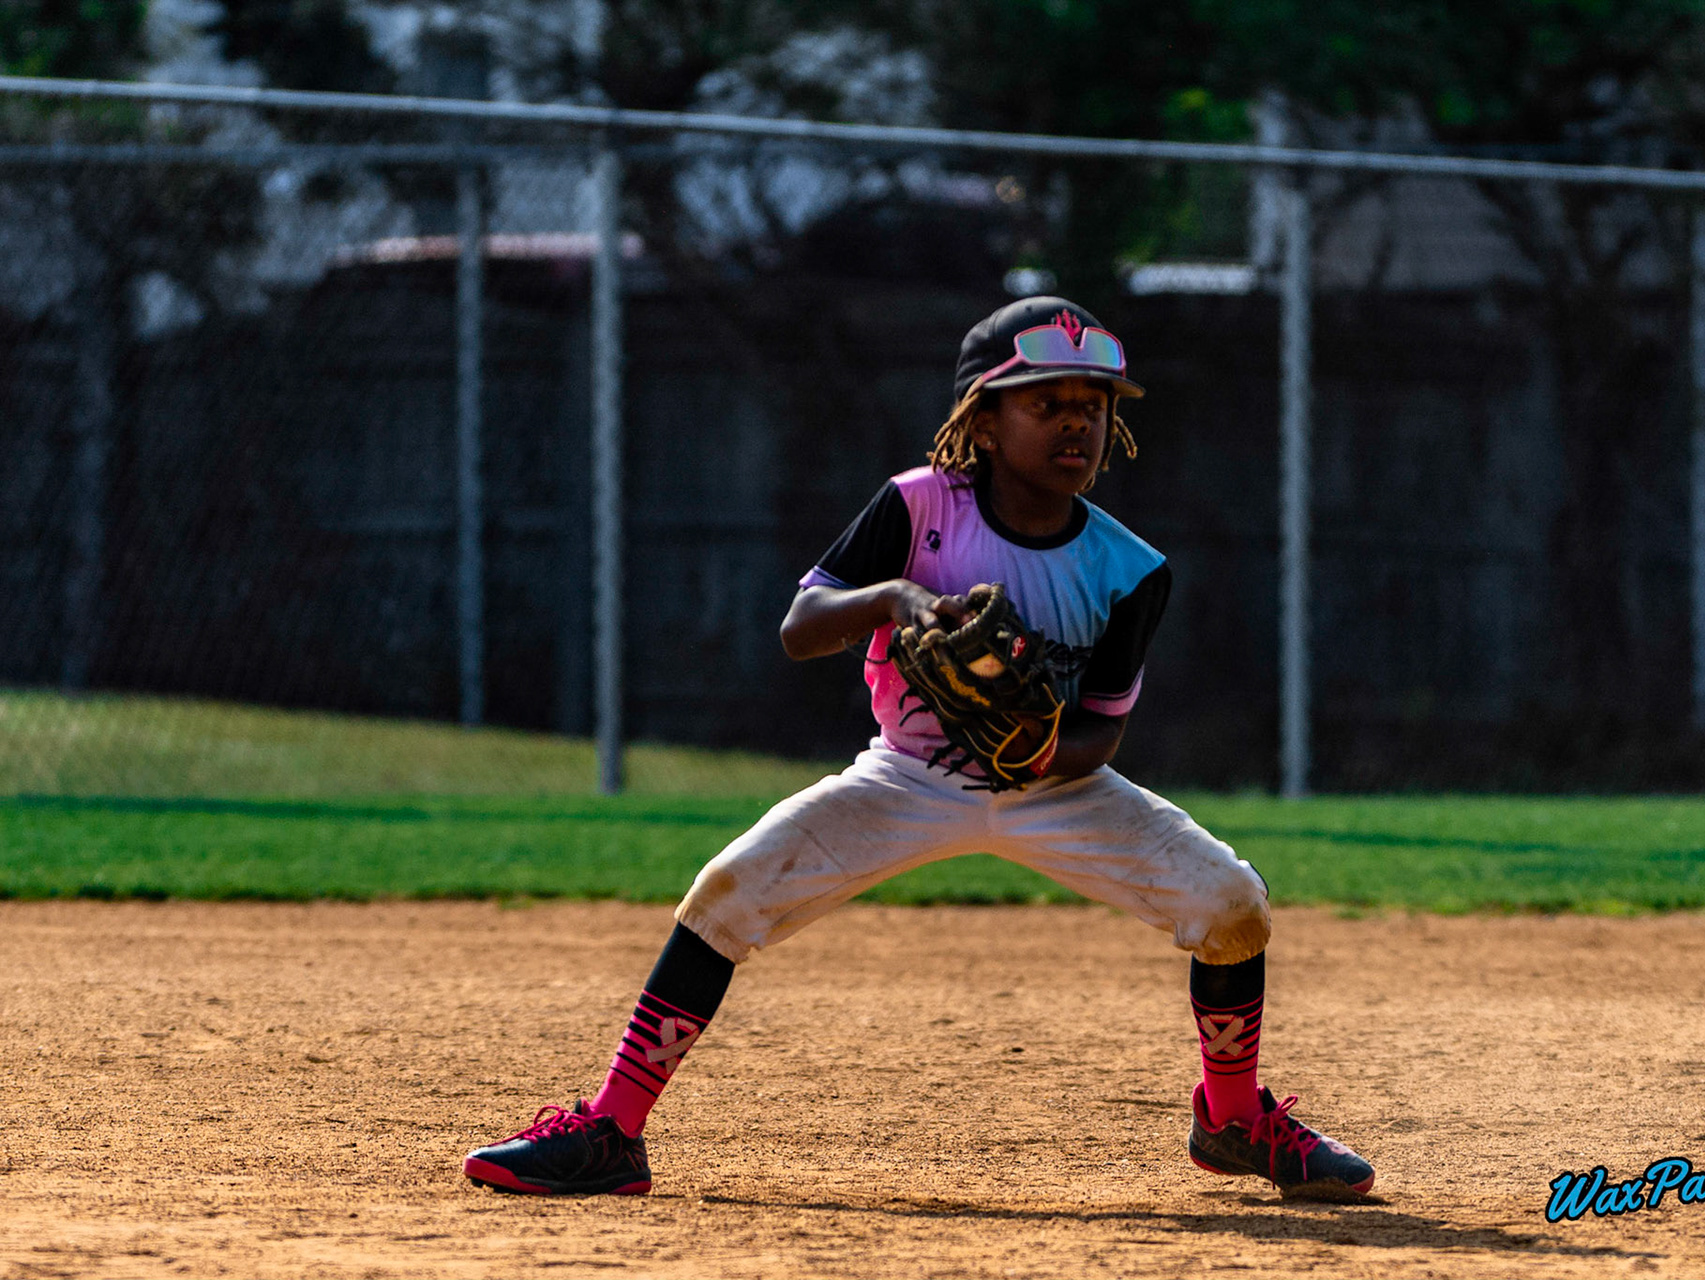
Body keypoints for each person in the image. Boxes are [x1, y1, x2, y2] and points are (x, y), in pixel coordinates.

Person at [461, 296, 1375, 1200]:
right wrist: (894, 598)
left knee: (1231, 901)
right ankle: (614, 1131)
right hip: (906, 777)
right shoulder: (918, 506)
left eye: (1092, 407)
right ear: (981, 418)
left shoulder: (1132, 570)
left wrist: (1037, 752)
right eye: (1045, 401)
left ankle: (1231, 1120)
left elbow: (1102, 727)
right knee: (728, 893)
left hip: (1050, 791)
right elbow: (800, 626)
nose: (1076, 424)